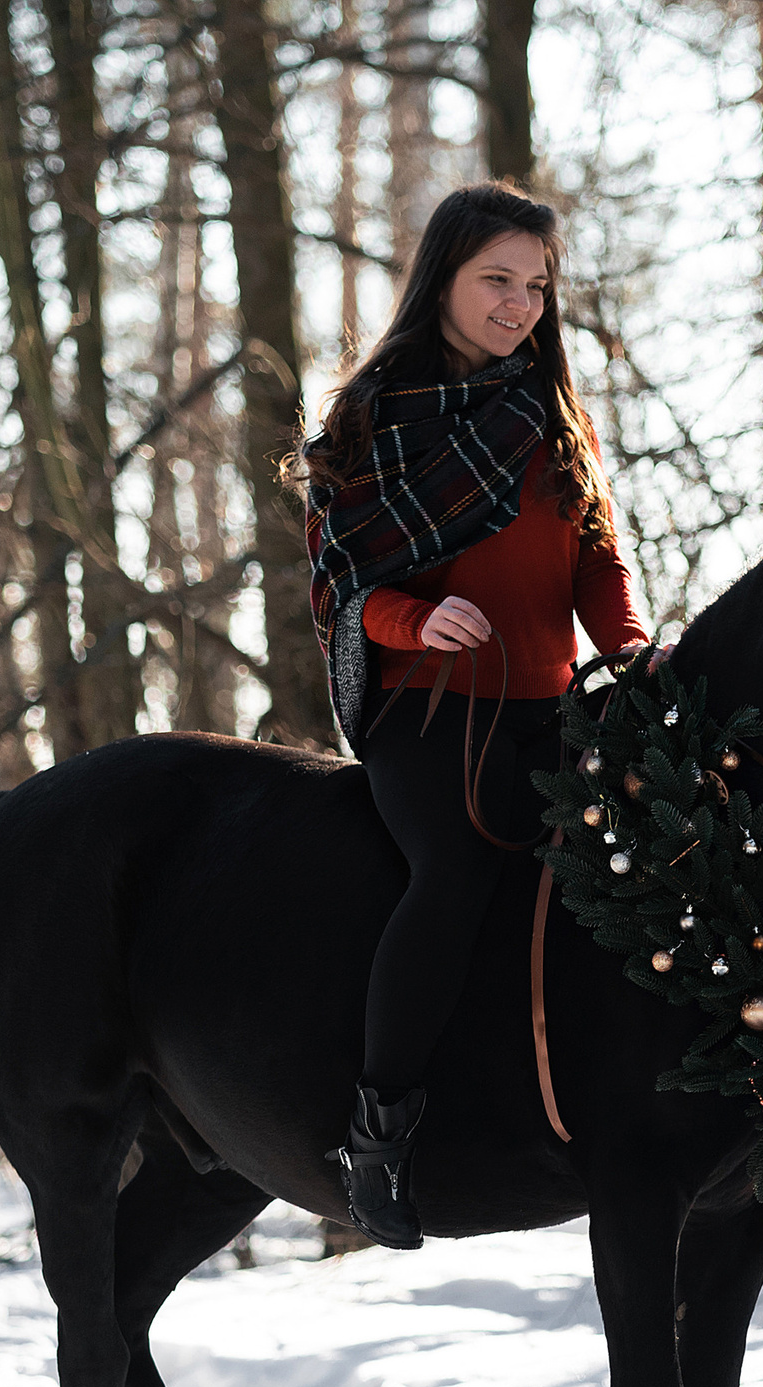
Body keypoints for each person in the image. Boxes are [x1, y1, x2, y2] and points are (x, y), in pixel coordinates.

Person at [294, 182, 650, 1249]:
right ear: (441, 279)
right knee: (451, 878)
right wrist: (415, 617)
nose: (519, 306)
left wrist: (628, 647)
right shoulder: (368, 417)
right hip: (429, 713)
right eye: (497, 280)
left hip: (551, 707)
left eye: (536, 285)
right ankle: (379, 1137)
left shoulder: (552, 414)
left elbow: (596, 554)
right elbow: (343, 586)